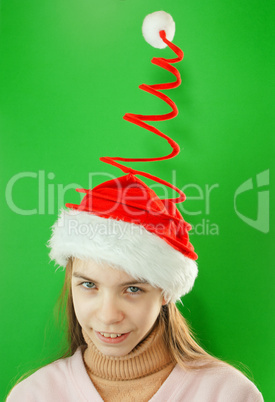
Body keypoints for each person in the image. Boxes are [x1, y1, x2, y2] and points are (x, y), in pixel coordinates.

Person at [7, 11, 263, 402]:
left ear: (164, 290)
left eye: (132, 288)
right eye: (89, 285)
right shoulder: (34, 395)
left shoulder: (226, 393)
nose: (108, 316)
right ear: (70, 282)